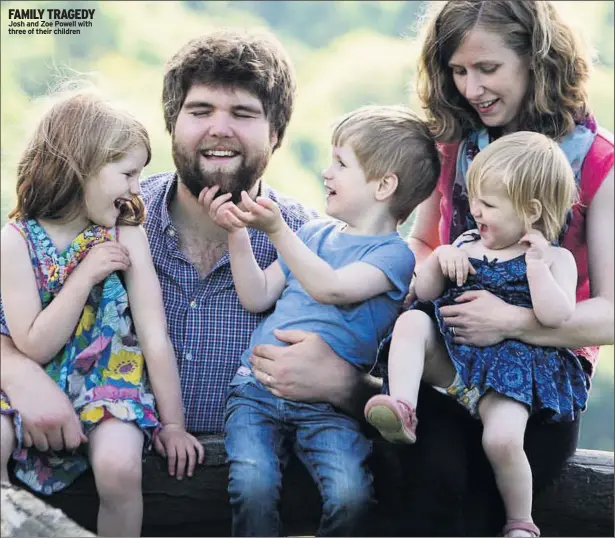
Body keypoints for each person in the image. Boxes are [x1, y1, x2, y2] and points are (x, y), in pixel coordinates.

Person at [0, 29, 385, 531]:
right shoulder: (108, 217)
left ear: (276, 133)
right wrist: (17, 372)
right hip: (89, 497)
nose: (219, 129)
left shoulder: (317, 244)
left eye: (243, 114)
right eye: (201, 111)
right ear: (172, 124)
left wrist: (345, 386)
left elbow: (398, 392)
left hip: (252, 505)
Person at [380, 1, 613, 535]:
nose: (472, 88)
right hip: (450, 363)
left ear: (537, 60)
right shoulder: (456, 144)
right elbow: (422, 240)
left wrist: (511, 322)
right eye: (459, 71)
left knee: (483, 505)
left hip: (534, 383)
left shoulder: (598, 162)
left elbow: (611, 313)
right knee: (426, 485)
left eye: (488, 69)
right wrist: (439, 263)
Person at [200, 105, 439, 536]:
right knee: (252, 484)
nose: (327, 173)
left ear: (384, 185)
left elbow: (330, 287)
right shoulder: (312, 234)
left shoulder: (394, 256)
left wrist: (276, 231)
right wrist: (235, 233)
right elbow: (256, 295)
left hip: (328, 410)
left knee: (351, 494)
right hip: (256, 391)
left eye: (341, 164)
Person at [366, 131, 590, 537]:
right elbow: (427, 293)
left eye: (489, 204)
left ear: (531, 209)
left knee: (502, 442)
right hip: (454, 364)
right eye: (474, 200)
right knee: (413, 322)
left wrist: (537, 268)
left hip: (509, 378)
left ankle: (520, 521)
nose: (476, 211)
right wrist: (440, 257)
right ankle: (402, 405)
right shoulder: (467, 243)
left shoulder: (555, 258)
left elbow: (558, 315)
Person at [0, 90, 204, 537]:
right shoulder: (15, 242)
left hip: (108, 387)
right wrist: (84, 277)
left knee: (120, 467)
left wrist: (172, 425)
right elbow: (33, 345)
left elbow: (154, 333)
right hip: (31, 388)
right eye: (128, 173)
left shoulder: (125, 234)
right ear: (79, 167)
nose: (136, 188)